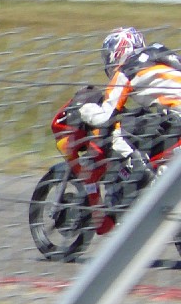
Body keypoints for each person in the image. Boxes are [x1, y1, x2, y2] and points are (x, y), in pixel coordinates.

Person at [76, 27, 181, 233]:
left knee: (116, 130)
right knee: (143, 121)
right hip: (172, 120)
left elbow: (106, 116)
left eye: (108, 54)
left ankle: (138, 170)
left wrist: (85, 110)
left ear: (118, 50)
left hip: (176, 117)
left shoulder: (126, 69)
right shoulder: (161, 54)